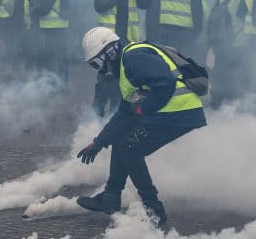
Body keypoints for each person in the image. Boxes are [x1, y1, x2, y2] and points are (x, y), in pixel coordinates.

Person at [76, 26, 207, 228]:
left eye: (97, 63)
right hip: (170, 111)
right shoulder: (126, 65)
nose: (99, 70)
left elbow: (165, 83)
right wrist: (99, 142)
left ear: (110, 52)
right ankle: (111, 198)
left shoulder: (133, 57)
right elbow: (125, 112)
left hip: (178, 111)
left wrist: (142, 109)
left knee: (130, 149)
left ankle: (154, 211)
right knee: (122, 142)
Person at [93, 0, 151, 117]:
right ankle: (95, 117)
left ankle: (115, 116)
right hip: (107, 40)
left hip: (127, 42)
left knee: (122, 81)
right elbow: (98, 5)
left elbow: (147, 3)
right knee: (105, 78)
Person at [208, 0, 244, 109]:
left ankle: (216, 103)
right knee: (235, 74)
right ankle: (232, 104)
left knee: (220, 73)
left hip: (220, 45)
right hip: (236, 43)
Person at [31, 0, 71, 83]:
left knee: (51, 56)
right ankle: (62, 82)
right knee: (61, 55)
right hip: (61, 27)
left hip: (52, 28)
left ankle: (52, 82)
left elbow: (44, 10)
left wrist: (34, 10)